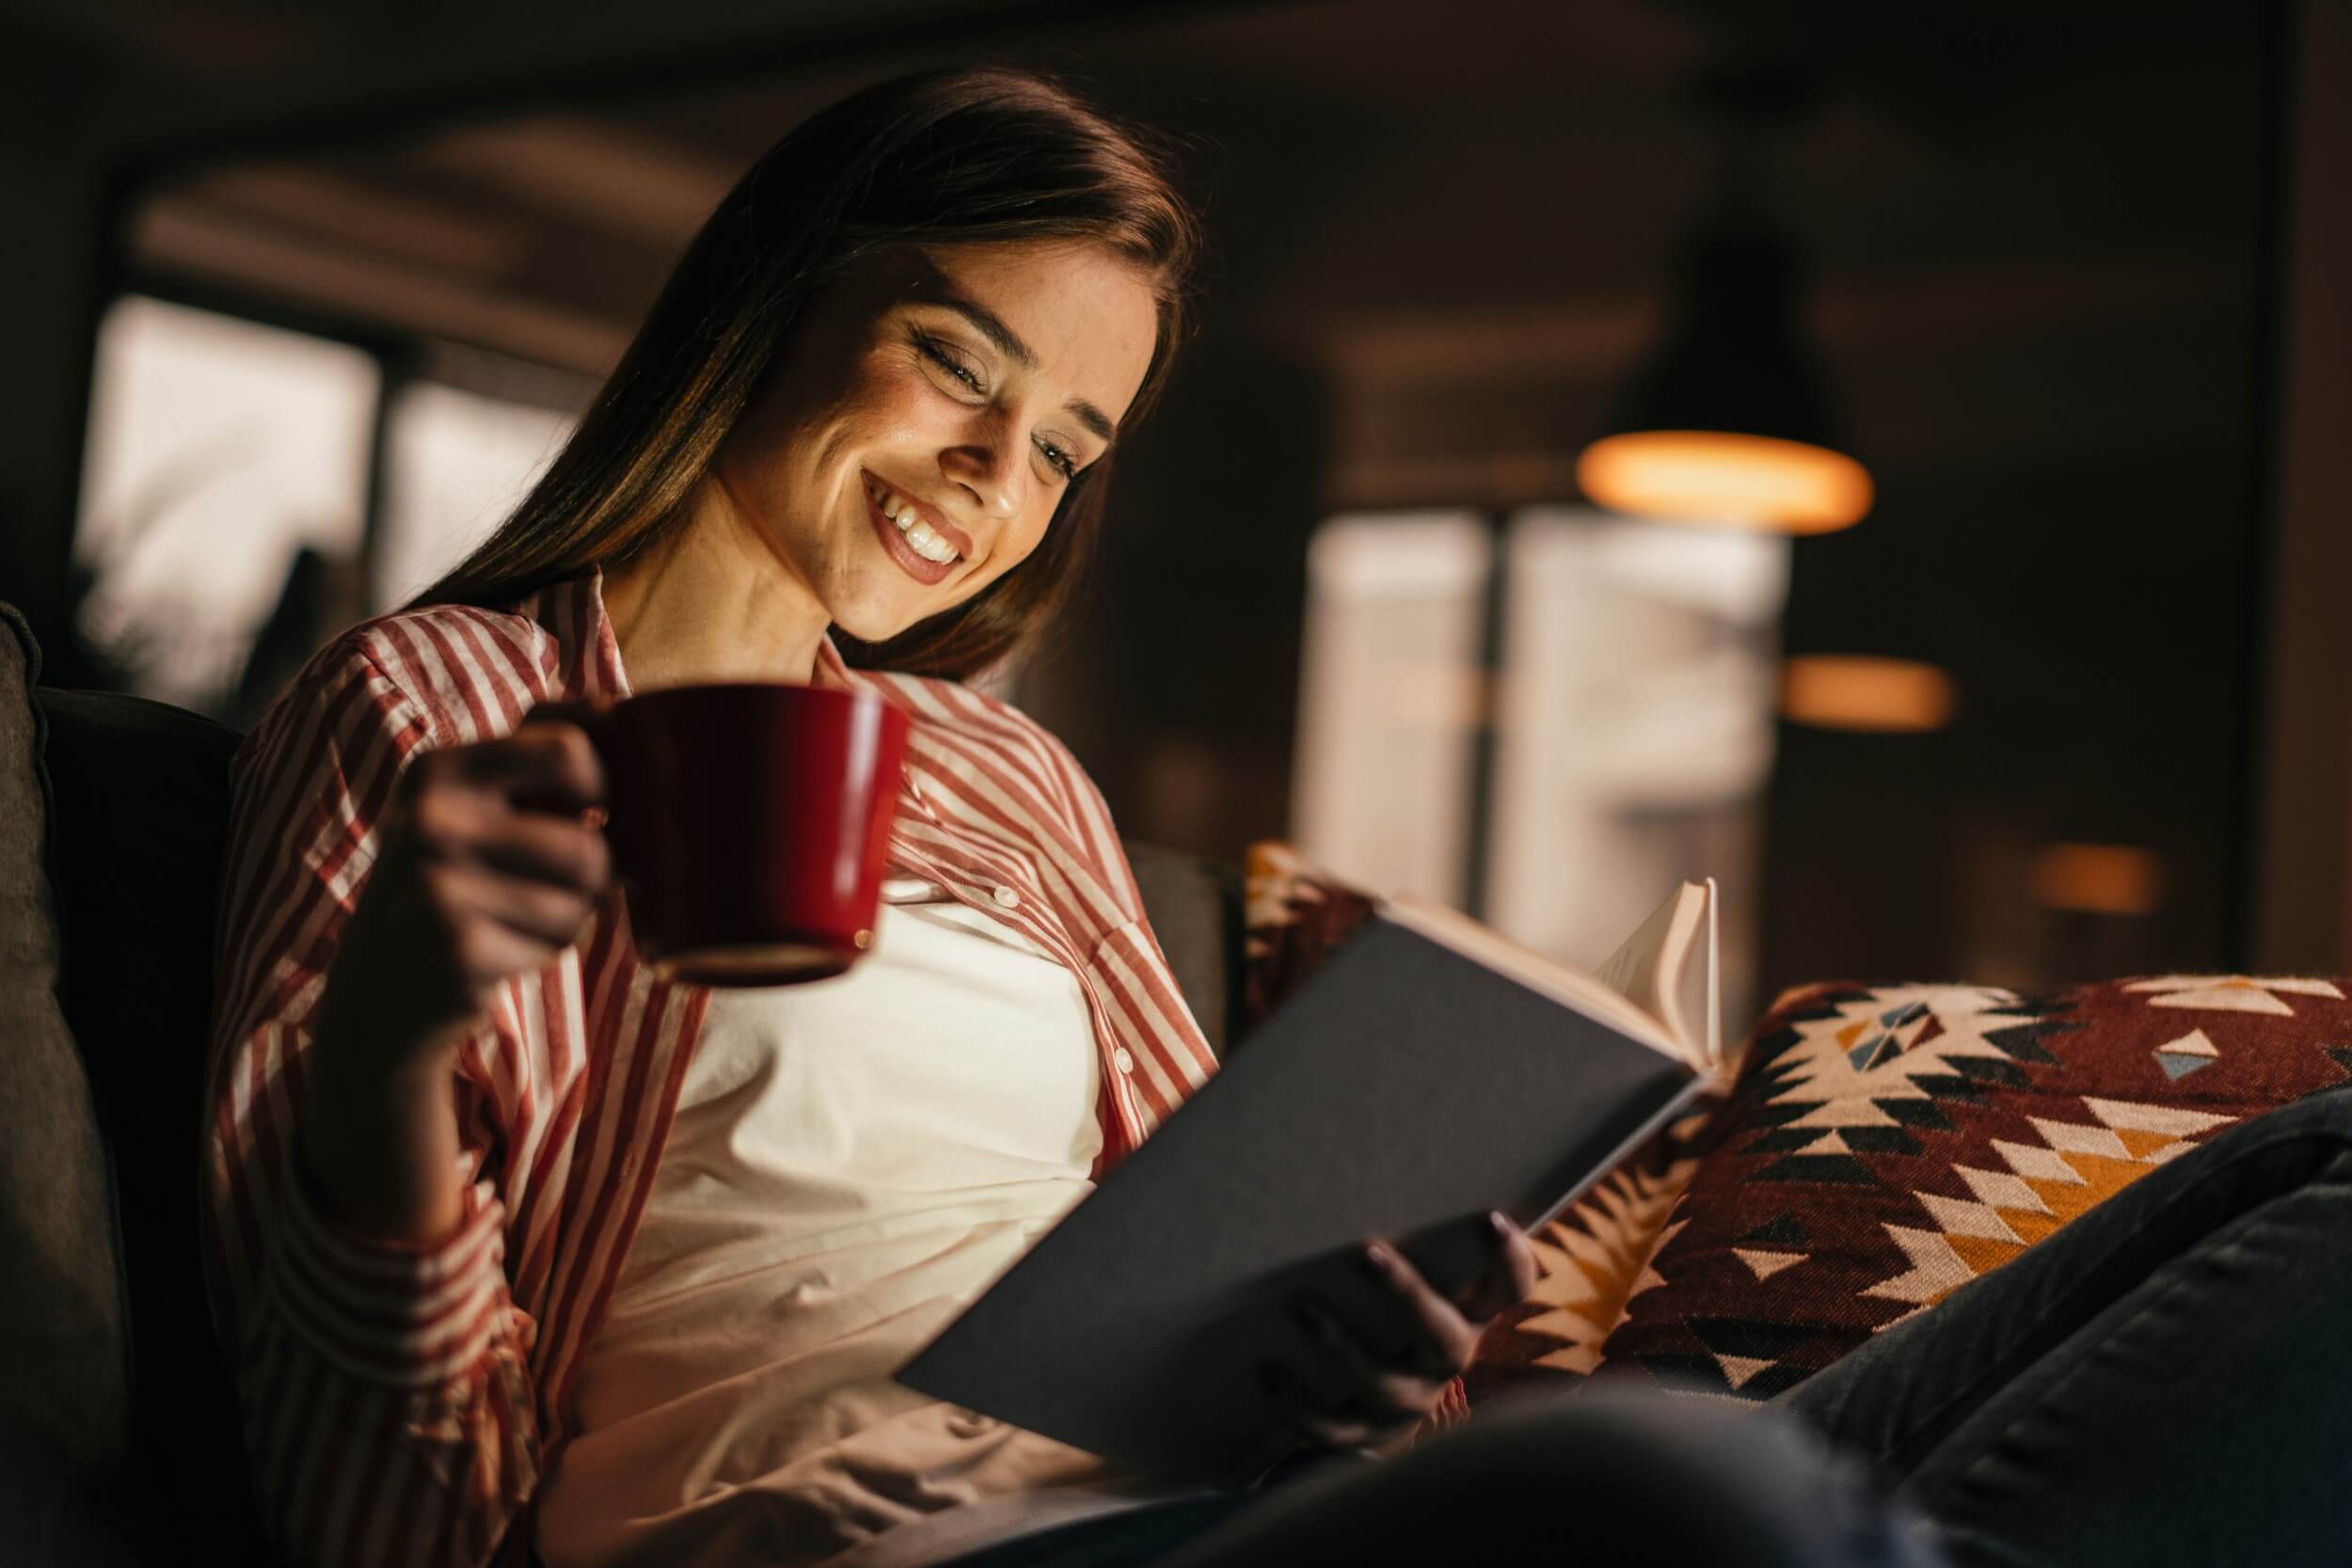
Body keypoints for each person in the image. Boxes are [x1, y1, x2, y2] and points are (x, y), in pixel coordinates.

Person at [199, 63, 2352, 1568]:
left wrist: (1365, 1368)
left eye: (1066, 445)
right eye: (956, 364)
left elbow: (1222, 1256)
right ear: (778, 297)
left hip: (1227, 1500)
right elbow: (386, 1518)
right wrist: (387, 1045)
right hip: (884, 1540)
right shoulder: (435, 713)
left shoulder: (1007, 775)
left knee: (2315, 1183)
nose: (996, 480)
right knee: (1703, 1499)